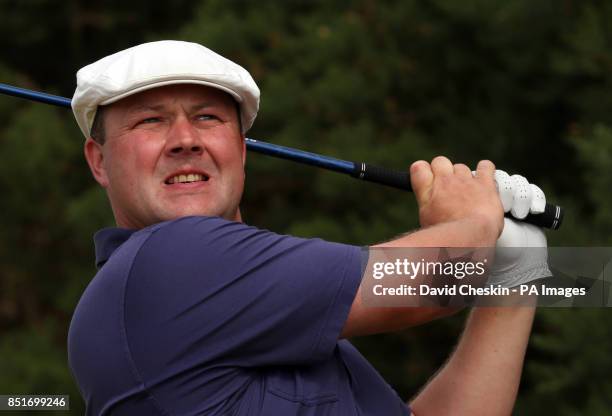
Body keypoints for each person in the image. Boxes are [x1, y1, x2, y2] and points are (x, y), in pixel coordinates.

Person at [68, 40, 550, 415]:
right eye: (151, 121)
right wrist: (474, 220)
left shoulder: (260, 306)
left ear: (241, 148)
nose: (185, 140)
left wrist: (519, 274)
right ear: (99, 161)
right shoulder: (168, 261)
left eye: (207, 117)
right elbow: (430, 281)